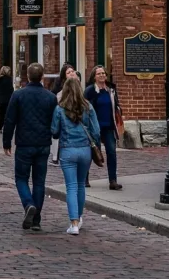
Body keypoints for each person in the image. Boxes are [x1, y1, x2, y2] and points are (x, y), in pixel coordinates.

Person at [2, 62, 58, 232]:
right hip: (43, 144)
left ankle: (28, 204)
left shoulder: (18, 95)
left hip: (24, 143)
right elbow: (54, 121)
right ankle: (36, 221)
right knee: (39, 182)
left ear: (27, 76)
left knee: (21, 178)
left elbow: (10, 120)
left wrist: (6, 142)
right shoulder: (50, 97)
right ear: (42, 77)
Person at [52, 76, 100, 235]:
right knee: (80, 185)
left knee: (71, 186)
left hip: (67, 149)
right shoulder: (88, 107)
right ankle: (78, 218)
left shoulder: (60, 108)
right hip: (85, 150)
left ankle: (73, 223)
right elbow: (96, 131)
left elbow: (54, 131)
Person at [84, 66, 123, 190]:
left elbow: (116, 105)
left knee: (111, 152)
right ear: (94, 77)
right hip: (94, 127)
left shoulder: (111, 90)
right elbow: (85, 108)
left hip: (109, 126)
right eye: (99, 73)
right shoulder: (90, 91)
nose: (102, 75)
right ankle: (85, 178)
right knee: (91, 152)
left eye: (103, 73)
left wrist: (119, 112)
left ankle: (113, 180)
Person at [50, 63, 80, 164]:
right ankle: (56, 156)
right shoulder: (61, 89)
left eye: (72, 71)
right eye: (68, 72)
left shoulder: (78, 83)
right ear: (64, 76)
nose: (71, 73)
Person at [0, 66, 14, 133]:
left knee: (1, 114)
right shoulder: (8, 79)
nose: (10, 72)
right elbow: (11, 89)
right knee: (7, 114)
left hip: (0, 99)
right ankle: (6, 128)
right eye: (9, 71)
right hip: (7, 99)